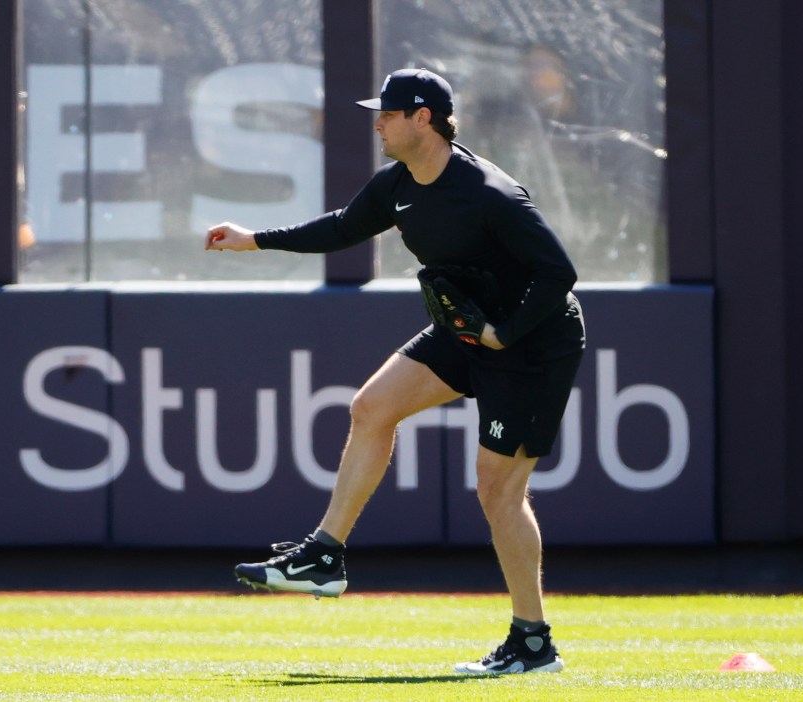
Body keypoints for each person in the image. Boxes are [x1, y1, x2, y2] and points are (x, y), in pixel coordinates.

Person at [204, 68, 585, 676]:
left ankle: (533, 643)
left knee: (498, 490)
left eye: (387, 112)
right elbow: (342, 228)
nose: (376, 122)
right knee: (371, 407)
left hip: (531, 340)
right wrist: (255, 240)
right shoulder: (400, 183)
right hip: (470, 329)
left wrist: (503, 333)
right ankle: (324, 557)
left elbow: (557, 273)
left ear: (423, 118)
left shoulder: (489, 192)